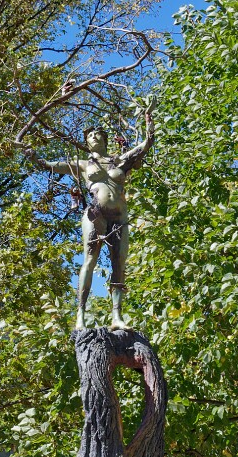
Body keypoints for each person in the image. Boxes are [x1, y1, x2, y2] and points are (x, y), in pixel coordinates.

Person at [32, 113, 154, 330]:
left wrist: (148, 119)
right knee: (89, 260)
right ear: (86, 142)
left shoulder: (120, 160)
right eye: (90, 135)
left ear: (105, 139)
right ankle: (81, 316)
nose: (94, 137)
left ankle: (117, 316)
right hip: (95, 214)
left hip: (120, 217)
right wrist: (32, 155)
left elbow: (145, 145)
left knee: (119, 263)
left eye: (98, 133)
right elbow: (49, 165)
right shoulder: (82, 163)